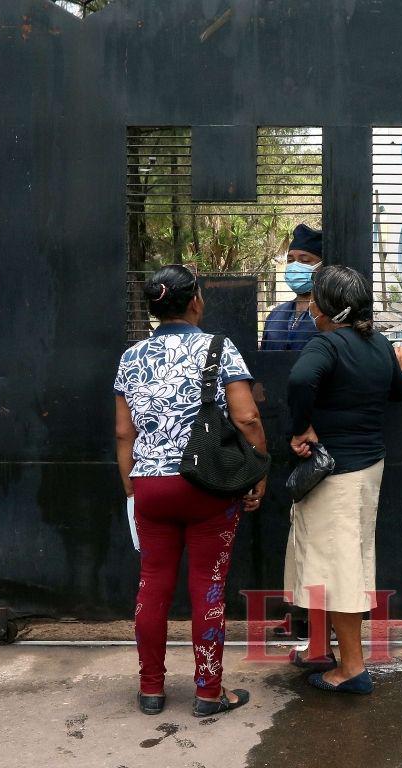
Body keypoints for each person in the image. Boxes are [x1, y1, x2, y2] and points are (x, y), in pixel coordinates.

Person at [114, 264, 268, 718]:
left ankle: (150, 691)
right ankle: (207, 693)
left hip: (150, 488)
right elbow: (247, 419)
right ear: (196, 300)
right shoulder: (219, 348)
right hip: (209, 487)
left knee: (152, 584)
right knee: (208, 587)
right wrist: (258, 471)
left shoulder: (131, 357)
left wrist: (133, 488)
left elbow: (125, 434)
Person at [285, 265, 402, 695]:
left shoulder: (327, 345)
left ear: (323, 308)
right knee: (331, 557)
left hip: (335, 476)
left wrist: (301, 426)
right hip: (366, 468)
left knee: (338, 566)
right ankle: (318, 648)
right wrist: (400, 366)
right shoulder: (378, 344)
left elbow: (301, 378)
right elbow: (401, 392)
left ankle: (352, 668)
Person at [262, 223, 323, 351]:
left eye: (305, 261)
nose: (295, 266)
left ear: (322, 266)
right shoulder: (276, 315)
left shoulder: (329, 317)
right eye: (290, 260)